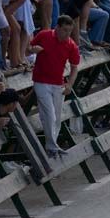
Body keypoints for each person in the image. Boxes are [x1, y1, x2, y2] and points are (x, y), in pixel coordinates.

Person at [27, 16, 81, 159]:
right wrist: (33, 50)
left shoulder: (71, 45)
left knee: (56, 117)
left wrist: (70, 84)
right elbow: (27, 49)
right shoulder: (44, 35)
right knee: (50, 115)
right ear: (57, 27)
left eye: (70, 31)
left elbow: (75, 68)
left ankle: (51, 146)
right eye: (64, 30)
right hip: (41, 81)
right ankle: (51, 146)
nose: (67, 34)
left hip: (58, 83)